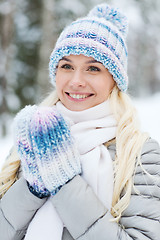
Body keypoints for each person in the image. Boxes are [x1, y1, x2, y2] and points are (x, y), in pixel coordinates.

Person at [0, 3, 160, 240]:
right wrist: (33, 188)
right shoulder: (34, 138)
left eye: (93, 68)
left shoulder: (141, 154)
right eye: (66, 66)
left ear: (115, 80)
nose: (76, 81)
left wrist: (64, 182)